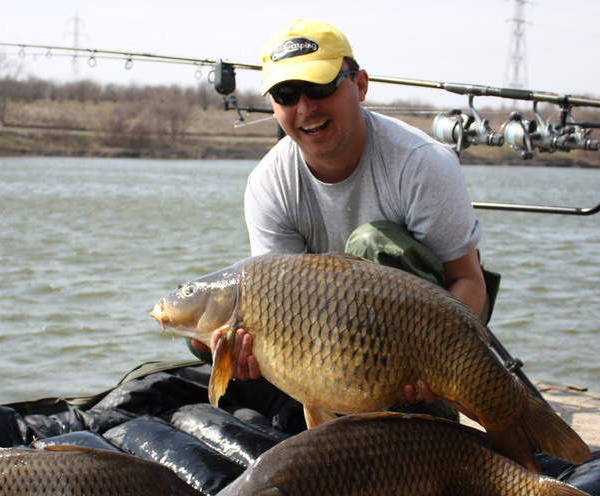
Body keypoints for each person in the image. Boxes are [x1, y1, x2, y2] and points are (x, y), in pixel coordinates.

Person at [194, 19, 490, 417]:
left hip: (433, 336)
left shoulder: (421, 163)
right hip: (328, 347)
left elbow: (469, 282)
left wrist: (436, 362)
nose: (305, 108)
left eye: (320, 86)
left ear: (360, 85)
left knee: (372, 242)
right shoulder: (268, 183)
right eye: (286, 93)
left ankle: (444, 409)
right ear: (273, 106)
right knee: (212, 333)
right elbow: (278, 313)